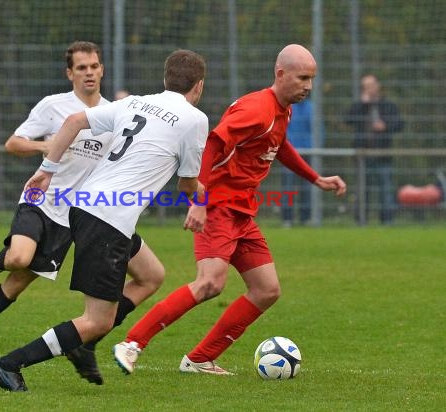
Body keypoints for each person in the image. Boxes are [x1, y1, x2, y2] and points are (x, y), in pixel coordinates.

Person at [113, 44, 347, 376]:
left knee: (267, 290)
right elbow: (213, 143)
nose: (308, 85)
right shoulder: (256, 109)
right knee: (209, 283)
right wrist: (199, 202)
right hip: (218, 206)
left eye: (312, 79)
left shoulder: (281, 110)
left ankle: (200, 358)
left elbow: (278, 145)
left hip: (241, 212)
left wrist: (315, 178)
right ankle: (132, 342)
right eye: (303, 78)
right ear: (281, 74)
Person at [0, 49, 209, 392]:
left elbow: (74, 121)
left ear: (165, 79)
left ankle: (83, 348)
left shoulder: (136, 102)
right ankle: (8, 364)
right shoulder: (194, 119)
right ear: (199, 86)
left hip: (89, 206)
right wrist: (202, 199)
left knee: (151, 276)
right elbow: (187, 184)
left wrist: (47, 170)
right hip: (108, 219)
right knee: (95, 320)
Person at [0, 41, 165, 386]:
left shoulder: (114, 112)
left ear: (101, 69)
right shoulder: (53, 106)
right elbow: (12, 143)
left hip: (76, 216)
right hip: (41, 200)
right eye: (81, 68)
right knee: (18, 258)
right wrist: (45, 145)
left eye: (94, 66)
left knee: (19, 282)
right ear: (70, 73)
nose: (89, 72)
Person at [345, 74, 404, 225]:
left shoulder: (388, 105)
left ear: (378, 86)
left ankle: (387, 221)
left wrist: (385, 127)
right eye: (365, 86)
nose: (369, 89)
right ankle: (361, 221)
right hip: (363, 155)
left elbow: (399, 124)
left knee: (385, 189)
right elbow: (348, 119)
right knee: (362, 190)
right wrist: (363, 105)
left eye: (371, 85)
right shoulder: (359, 106)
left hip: (383, 154)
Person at [281, 99, 313, 227]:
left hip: (308, 153)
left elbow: (316, 129)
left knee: (306, 188)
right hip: (290, 153)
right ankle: (287, 219)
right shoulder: (287, 108)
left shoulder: (311, 108)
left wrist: (314, 147)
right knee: (288, 187)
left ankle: (305, 218)